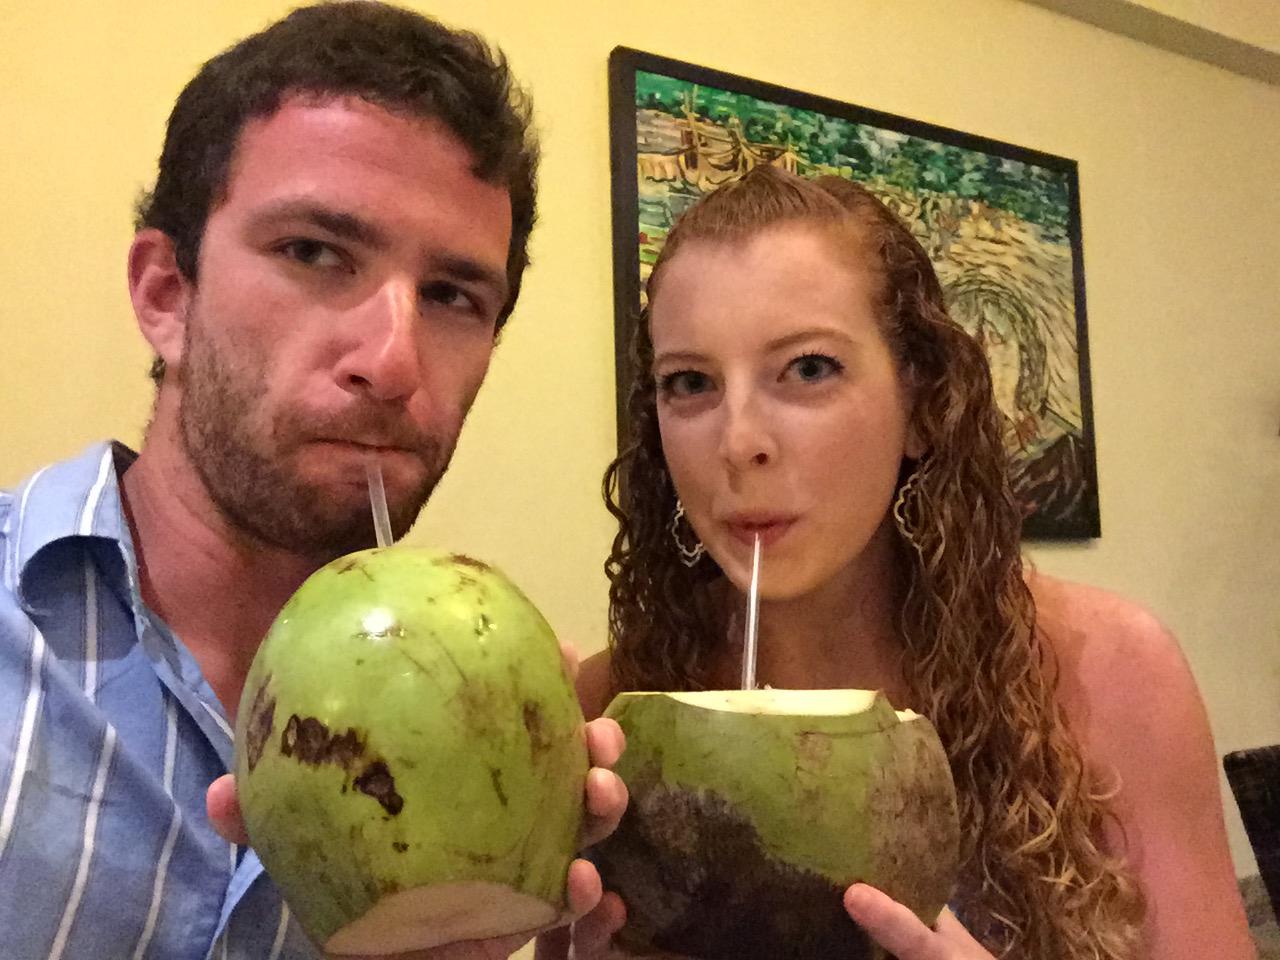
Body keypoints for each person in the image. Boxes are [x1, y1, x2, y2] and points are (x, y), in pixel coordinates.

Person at [0, 4, 625, 958]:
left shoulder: (488, 731)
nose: (393, 359)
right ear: (167, 294)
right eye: (314, 252)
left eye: (452, 295)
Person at [566, 165, 1255, 959]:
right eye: (690, 382)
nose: (739, 441)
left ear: (922, 408)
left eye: (808, 368)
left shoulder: (1109, 674)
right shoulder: (611, 712)